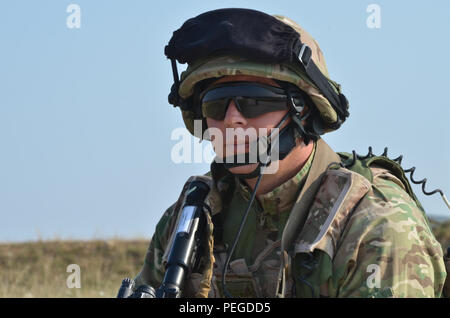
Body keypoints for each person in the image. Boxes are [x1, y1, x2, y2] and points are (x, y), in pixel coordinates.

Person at [133, 8, 447, 298]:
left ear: (303, 111)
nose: (231, 119)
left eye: (253, 101)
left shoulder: (375, 223)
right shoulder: (191, 216)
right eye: (215, 104)